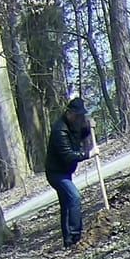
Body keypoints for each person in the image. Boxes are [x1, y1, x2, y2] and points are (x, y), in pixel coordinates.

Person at [44, 97, 96, 248]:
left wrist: (89, 128)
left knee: (66, 204)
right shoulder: (59, 130)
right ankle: (75, 236)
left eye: (81, 115)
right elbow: (68, 155)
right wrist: (89, 154)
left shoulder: (74, 124)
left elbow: (79, 134)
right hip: (56, 174)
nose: (80, 118)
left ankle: (68, 240)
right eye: (77, 115)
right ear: (69, 113)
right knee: (74, 197)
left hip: (65, 172)